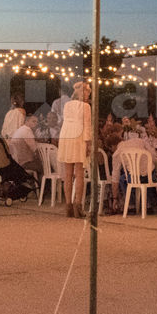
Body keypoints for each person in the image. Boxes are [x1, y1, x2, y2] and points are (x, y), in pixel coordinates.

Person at [58, 82, 93, 218]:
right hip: (78, 137)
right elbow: (87, 126)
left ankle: (68, 206)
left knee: (68, 174)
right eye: (87, 93)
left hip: (66, 135)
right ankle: (78, 205)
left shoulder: (67, 105)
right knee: (79, 174)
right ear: (83, 93)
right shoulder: (86, 107)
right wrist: (88, 143)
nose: (88, 95)